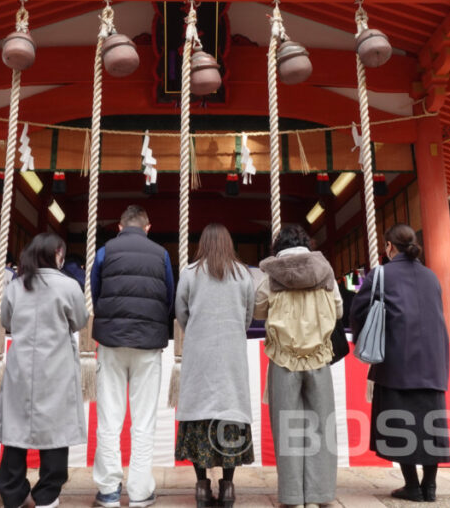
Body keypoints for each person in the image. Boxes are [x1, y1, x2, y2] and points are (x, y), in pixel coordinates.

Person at [350, 223, 450, 503]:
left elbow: (357, 310)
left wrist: (365, 341)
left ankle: (411, 486)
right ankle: (429, 486)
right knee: (432, 423)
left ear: (389, 246)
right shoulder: (431, 277)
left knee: (400, 422)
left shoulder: (381, 274)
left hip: (396, 359)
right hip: (433, 360)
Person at [90, 205, 175, 508]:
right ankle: (139, 491)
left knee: (109, 418)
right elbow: (169, 297)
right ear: (148, 227)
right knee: (143, 421)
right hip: (148, 345)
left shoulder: (104, 252)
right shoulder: (161, 254)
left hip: (111, 343)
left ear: (119, 226)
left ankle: (109, 489)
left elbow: (96, 293)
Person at [0, 232, 89, 508]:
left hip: (21, 363)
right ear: (56, 254)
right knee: (56, 430)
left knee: (16, 427)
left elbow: (7, 320)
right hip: (57, 364)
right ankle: (47, 493)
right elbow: (80, 320)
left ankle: (12, 491)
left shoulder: (16, 286)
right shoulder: (69, 286)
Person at [255, 224, 342, 508]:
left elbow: (257, 309)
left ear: (278, 248)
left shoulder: (271, 276)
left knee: (287, 427)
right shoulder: (325, 270)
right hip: (318, 356)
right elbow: (339, 308)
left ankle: (292, 497)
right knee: (320, 426)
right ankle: (319, 495)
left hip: (283, 359)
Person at [174, 223, 256, 508]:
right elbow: (248, 317)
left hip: (199, 354)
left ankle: (201, 487)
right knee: (230, 412)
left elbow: (181, 312)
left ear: (203, 244)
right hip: (232, 353)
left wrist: (196, 330)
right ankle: (229, 486)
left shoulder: (189, 273)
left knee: (200, 413)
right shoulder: (244, 274)